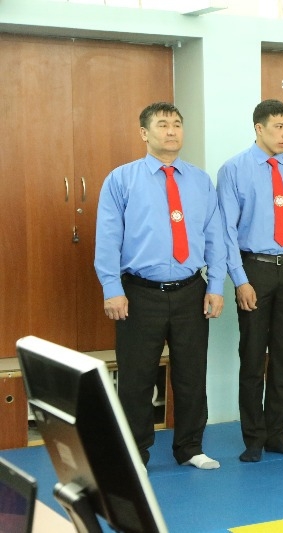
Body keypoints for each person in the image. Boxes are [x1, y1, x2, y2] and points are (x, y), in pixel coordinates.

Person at [95, 102, 225, 470]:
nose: (171, 131)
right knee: (136, 378)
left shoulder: (199, 180)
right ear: (144, 133)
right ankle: (135, 453)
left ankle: (190, 447)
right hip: (139, 293)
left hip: (191, 291)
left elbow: (214, 236)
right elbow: (107, 238)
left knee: (191, 375)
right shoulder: (121, 179)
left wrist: (216, 284)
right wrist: (111, 287)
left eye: (177, 124)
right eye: (163, 124)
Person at [216, 99, 283, 462]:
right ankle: (254, 438)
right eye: (278, 126)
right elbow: (226, 231)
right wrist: (240, 280)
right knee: (252, 356)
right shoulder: (234, 170)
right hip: (255, 269)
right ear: (259, 128)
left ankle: (277, 433)